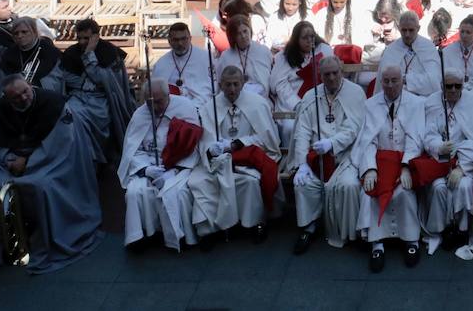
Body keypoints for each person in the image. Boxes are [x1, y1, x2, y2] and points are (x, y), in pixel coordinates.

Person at [0, 77, 103, 272]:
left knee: (41, 186)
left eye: (25, 91)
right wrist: (10, 159)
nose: (24, 98)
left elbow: (62, 143)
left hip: (49, 162)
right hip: (9, 163)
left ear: (29, 85)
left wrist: (28, 161)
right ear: (7, 99)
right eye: (16, 98)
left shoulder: (54, 104)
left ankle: (42, 241)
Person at [118, 79, 234, 252]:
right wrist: (146, 169)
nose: (155, 107)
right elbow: (131, 150)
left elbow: (193, 144)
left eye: (158, 102)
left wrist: (172, 170)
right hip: (148, 165)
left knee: (175, 193)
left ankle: (180, 237)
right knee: (135, 192)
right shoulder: (140, 114)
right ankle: (141, 236)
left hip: (178, 167)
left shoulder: (184, 107)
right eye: (150, 103)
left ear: (168, 96)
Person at [290, 55, 368, 253]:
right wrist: (302, 164)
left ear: (341, 71)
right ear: (320, 76)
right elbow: (302, 131)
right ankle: (309, 226)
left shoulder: (355, 92)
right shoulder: (310, 96)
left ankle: (349, 232)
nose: (332, 78)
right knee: (303, 183)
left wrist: (332, 143)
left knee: (348, 185)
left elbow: (354, 128)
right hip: (316, 157)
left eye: (335, 73)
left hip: (346, 156)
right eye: (327, 75)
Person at [357, 64, 425, 271]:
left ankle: (411, 241)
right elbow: (367, 140)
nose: (390, 85)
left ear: (402, 80)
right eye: (385, 81)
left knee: (405, 193)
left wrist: (406, 166)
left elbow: (416, 138)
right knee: (370, 192)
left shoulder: (416, 103)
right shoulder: (370, 104)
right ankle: (377, 245)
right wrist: (369, 168)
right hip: (380, 161)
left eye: (394, 80)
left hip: (406, 160)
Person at [206, 65, 281, 242]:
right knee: (214, 179)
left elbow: (268, 139)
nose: (232, 89)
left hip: (250, 160)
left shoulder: (258, 104)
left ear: (243, 83)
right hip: (222, 161)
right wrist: (213, 147)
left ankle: (255, 223)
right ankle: (225, 225)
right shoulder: (211, 107)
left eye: (235, 84)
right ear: (221, 84)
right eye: (227, 85)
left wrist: (239, 143)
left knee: (250, 181)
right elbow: (206, 139)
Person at [42, 17, 132, 162]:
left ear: (96, 36)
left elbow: (103, 80)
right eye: (80, 38)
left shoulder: (109, 52)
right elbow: (67, 77)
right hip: (78, 97)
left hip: (104, 98)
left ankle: (99, 157)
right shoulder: (72, 52)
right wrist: (85, 81)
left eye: (87, 38)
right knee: (68, 115)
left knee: (94, 118)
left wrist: (89, 55)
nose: (82, 42)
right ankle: (80, 156)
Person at [416, 67, 473, 251]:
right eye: (448, 86)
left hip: (465, 162)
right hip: (440, 161)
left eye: (457, 86)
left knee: (464, 185)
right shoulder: (432, 102)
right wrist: (438, 145)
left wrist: (462, 168)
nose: (453, 90)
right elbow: (428, 134)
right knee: (438, 188)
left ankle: (462, 230)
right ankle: (441, 229)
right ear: (442, 86)